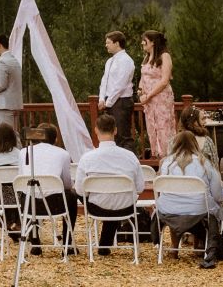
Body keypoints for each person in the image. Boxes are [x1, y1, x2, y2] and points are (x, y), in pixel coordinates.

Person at [75, 112, 144, 253]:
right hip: (125, 207)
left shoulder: (87, 158)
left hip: (97, 207)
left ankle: (103, 244)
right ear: (115, 130)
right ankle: (105, 244)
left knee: (76, 192)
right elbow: (140, 188)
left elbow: (80, 191)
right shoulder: (130, 156)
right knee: (115, 198)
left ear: (96, 130)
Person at [156, 129, 223, 267]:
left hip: (169, 210)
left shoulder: (166, 164)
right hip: (199, 211)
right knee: (208, 207)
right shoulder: (205, 163)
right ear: (195, 144)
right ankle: (201, 247)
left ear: (175, 144)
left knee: (176, 204)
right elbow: (218, 194)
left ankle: (174, 250)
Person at [20, 125, 78, 255]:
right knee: (71, 196)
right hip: (55, 204)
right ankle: (67, 242)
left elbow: (22, 180)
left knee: (26, 192)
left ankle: (35, 241)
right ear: (55, 139)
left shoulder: (24, 152)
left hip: (30, 205)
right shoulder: (63, 154)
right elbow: (67, 184)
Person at [140, 30, 176, 160]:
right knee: (152, 128)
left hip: (161, 98)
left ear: (153, 42)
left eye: (145, 40)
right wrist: (140, 92)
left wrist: (148, 95)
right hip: (149, 102)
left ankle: (167, 158)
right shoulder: (146, 58)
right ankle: (156, 156)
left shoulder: (164, 56)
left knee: (163, 127)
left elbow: (164, 80)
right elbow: (142, 78)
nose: (142, 42)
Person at [98, 31, 137, 154]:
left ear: (117, 43)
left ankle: (129, 162)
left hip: (121, 101)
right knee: (111, 135)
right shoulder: (109, 61)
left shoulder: (126, 61)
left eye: (108, 43)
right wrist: (101, 99)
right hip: (110, 101)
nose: (106, 45)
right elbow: (104, 81)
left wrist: (108, 102)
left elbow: (120, 84)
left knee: (122, 134)